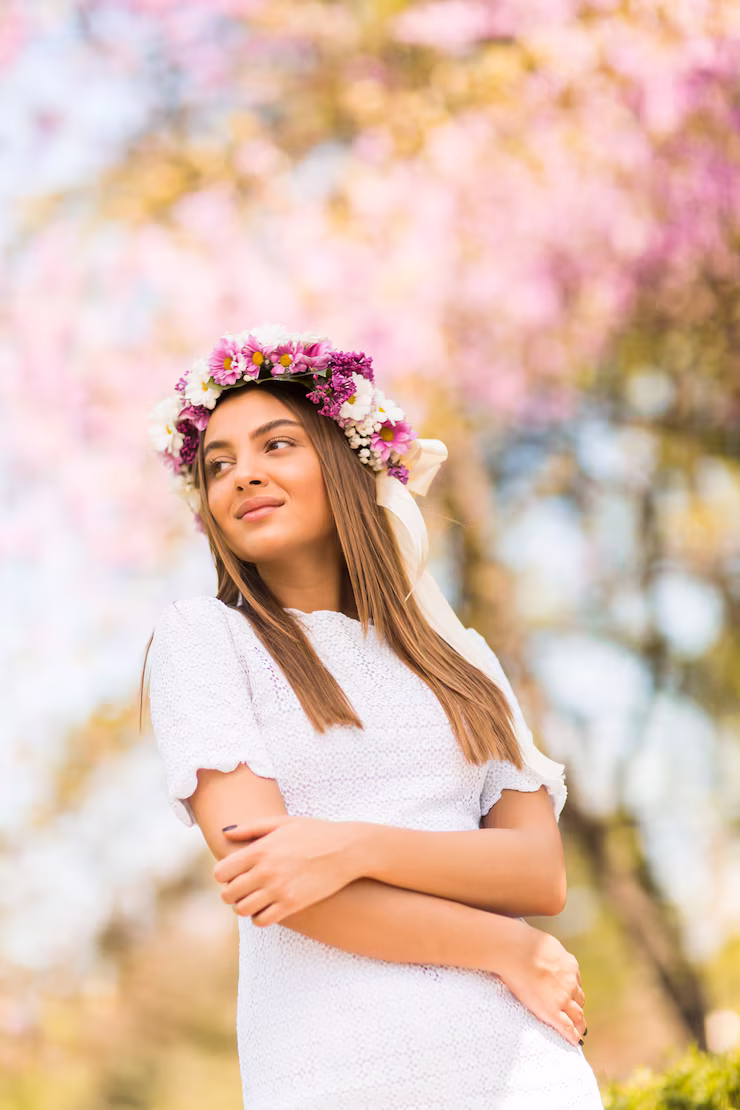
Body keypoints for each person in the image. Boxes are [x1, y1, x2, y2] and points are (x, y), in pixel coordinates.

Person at [142, 323, 604, 1109]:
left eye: (276, 446)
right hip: (336, 1069)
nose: (241, 476)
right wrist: (508, 945)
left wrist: (345, 844)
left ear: (348, 461)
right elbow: (272, 881)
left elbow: (538, 870)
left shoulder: (463, 661)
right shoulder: (203, 639)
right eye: (218, 465)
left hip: (523, 1065)